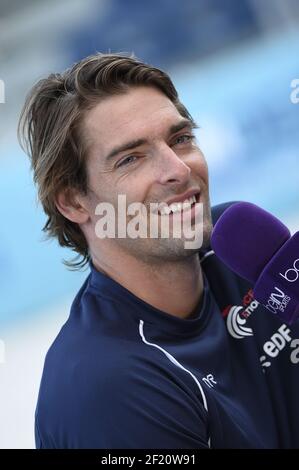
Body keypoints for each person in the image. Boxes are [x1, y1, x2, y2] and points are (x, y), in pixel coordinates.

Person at [19, 53, 299, 449]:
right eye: (131, 158)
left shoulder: (241, 246)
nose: (178, 169)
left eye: (181, 139)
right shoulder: (108, 390)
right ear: (74, 202)